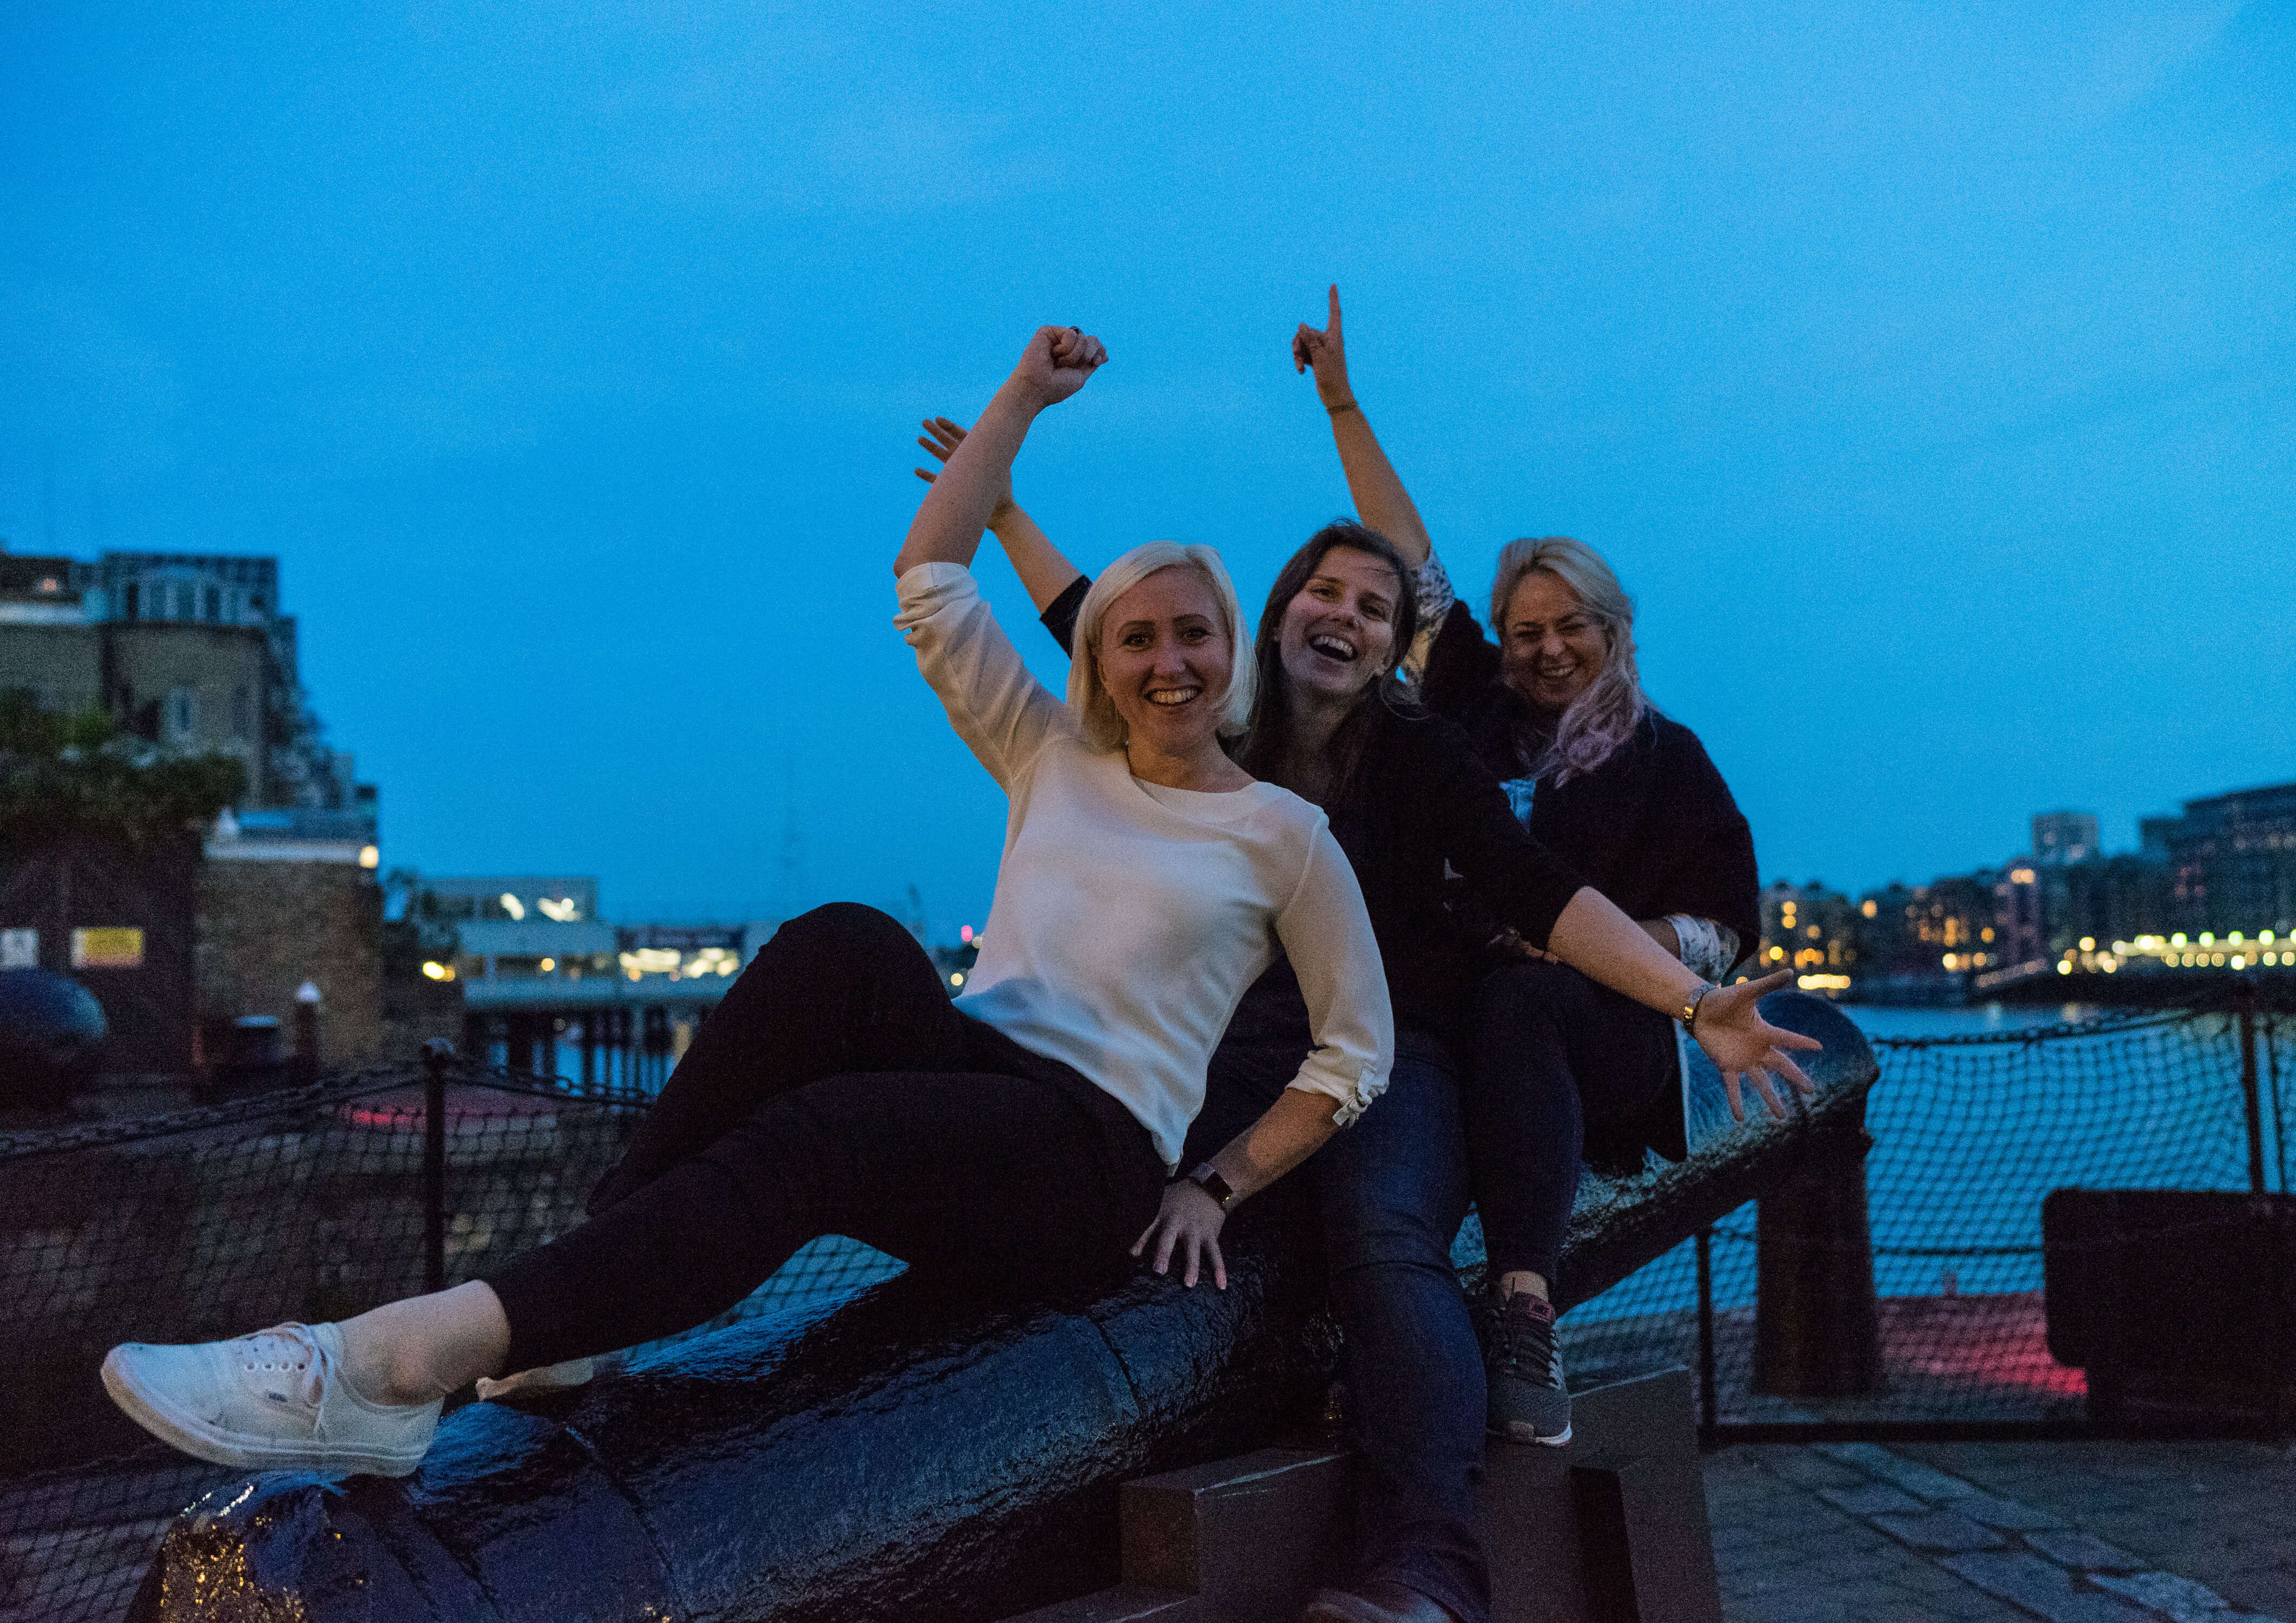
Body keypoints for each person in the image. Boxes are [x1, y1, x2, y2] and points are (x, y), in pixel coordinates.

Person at [97, 325, 1395, 1485]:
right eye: (1137, 637)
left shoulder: (1282, 833)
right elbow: (930, 578)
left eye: (1195, 635)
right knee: (846, 942)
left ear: (1232, 652)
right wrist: (1019, 399)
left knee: (819, 1136)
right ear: (1101, 661)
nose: (1168, 660)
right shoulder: (1055, 756)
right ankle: (577, 1310)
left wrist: (1217, 1185)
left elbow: (1358, 1049)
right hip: (979, 1067)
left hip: (1086, 1154)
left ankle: (379, 1369)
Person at [913, 337, 1813, 1623]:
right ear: (1276, 616)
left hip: (1385, 1046)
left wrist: (1687, 1001)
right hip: (1232, 1041)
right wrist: (1001, 505)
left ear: (1398, 648)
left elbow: (1541, 899)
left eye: (1374, 608)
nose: (1343, 615)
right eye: (1322, 594)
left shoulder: (1424, 759)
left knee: (1384, 1237)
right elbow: (1089, 617)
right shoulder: (1224, 717)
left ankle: (1428, 1571)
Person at [1285, 289, 1768, 1457]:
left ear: (1615, 631)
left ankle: (1521, 1305)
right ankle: (1365, 1333)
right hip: (1446, 1013)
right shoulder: (1468, 710)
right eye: (1527, 629)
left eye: (1575, 627)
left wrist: (1645, 952)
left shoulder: (1665, 759)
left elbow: (1723, 920)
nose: (1549, 650)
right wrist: (1344, 404)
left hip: (1598, 1023)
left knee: (1523, 993)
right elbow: (1407, 557)